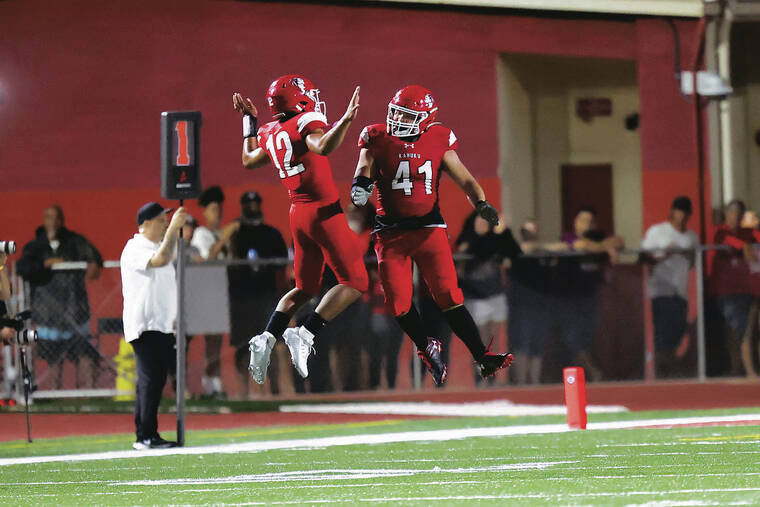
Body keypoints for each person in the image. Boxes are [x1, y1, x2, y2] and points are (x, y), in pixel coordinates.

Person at [350, 84, 513, 385]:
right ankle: (426, 347)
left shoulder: (439, 138)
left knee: (450, 296)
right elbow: (365, 165)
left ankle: (482, 357)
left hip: (428, 228)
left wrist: (481, 202)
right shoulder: (377, 136)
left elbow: (463, 176)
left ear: (425, 118)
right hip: (391, 233)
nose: (397, 118)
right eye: (396, 111)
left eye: (406, 114)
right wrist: (360, 184)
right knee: (397, 303)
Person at [233, 74, 369, 384]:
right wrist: (345, 121)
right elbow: (322, 146)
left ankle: (267, 337)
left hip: (298, 214)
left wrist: (249, 122)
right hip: (324, 212)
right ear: (299, 98)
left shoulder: (269, 130)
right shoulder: (304, 122)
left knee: (306, 288)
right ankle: (305, 332)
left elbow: (248, 160)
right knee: (355, 280)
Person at [120, 202, 187, 450]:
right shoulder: (135, 247)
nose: (165, 225)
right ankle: (146, 435)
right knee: (152, 378)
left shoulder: (159, 246)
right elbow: (159, 261)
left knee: (155, 379)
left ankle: (146, 432)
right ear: (145, 223)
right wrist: (173, 232)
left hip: (161, 324)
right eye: (160, 221)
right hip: (145, 324)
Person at [16, 205, 103, 389]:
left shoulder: (74, 242)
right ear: (43, 220)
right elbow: (23, 268)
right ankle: (53, 393)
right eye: (49, 217)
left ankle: (88, 394)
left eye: (57, 218)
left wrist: (94, 263)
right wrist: (46, 264)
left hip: (75, 311)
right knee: (53, 358)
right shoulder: (35, 247)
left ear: (62, 220)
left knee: (85, 354)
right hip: (47, 314)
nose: (53, 222)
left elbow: (93, 256)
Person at [227, 190, 288, 396]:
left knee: (270, 344)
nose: (252, 208)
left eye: (255, 204)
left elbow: (283, 269)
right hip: (241, 298)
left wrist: (286, 301)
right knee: (243, 346)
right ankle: (245, 392)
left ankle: (276, 390)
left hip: (267, 297)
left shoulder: (272, 234)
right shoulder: (235, 234)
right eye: (248, 204)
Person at [556, 206, 624, 381]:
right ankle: (593, 372)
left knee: (588, 336)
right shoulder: (568, 237)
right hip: (569, 297)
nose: (586, 224)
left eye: (590, 221)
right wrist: (603, 248)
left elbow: (618, 241)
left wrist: (602, 246)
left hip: (591, 296)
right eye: (583, 220)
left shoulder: (598, 237)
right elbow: (584, 245)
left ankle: (575, 376)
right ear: (575, 223)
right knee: (573, 337)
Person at [640, 196, 699, 377]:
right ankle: (660, 374)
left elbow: (692, 264)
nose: (682, 215)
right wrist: (665, 253)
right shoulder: (658, 232)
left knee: (677, 333)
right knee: (663, 334)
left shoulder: (691, 237)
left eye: (685, 212)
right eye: (679, 211)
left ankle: (668, 372)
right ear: (672, 211)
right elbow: (643, 257)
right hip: (661, 290)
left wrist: (687, 255)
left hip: (680, 292)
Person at [456, 211, 514, 385]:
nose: (481, 224)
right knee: (481, 339)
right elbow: (468, 252)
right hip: (476, 297)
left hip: (495, 294)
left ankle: (493, 377)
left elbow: (509, 254)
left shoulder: (495, 240)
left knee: (494, 338)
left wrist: (504, 232)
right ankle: (480, 377)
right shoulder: (468, 238)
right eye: (478, 221)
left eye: (484, 222)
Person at [711, 199, 760, 377]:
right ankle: (740, 370)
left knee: (749, 331)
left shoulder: (748, 232)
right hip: (727, 291)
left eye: (739, 214)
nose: (736, 217)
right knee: (736, 331)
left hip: (748, 289)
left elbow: (756, 238)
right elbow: (724, 240)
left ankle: (745, 370)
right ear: (726, 214)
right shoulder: (720, 231)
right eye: (732, 213)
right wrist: (743, 246)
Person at [189, 186, 229, 398]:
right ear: (205, 212)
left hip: (220, 293)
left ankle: (215, 383)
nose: (218, 214)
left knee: (216, 341)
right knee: (208, 341)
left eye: (220, 209)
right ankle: (206, 383)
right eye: (214, 209)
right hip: (205, 293)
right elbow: (208, 258)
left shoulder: (219, 233)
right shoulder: (202, 234)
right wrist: (227, 235)